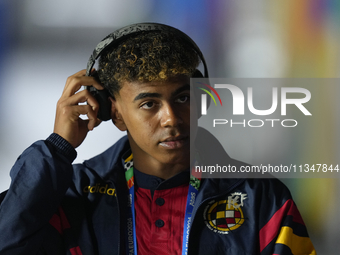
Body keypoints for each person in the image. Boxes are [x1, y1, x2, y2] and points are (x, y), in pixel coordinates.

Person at [0, 23, 316, 255]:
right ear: (115, 112)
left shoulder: (264, 200)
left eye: (182, 98)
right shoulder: (74, 197)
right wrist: (58, 148)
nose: (171, 118)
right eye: (149, 104)